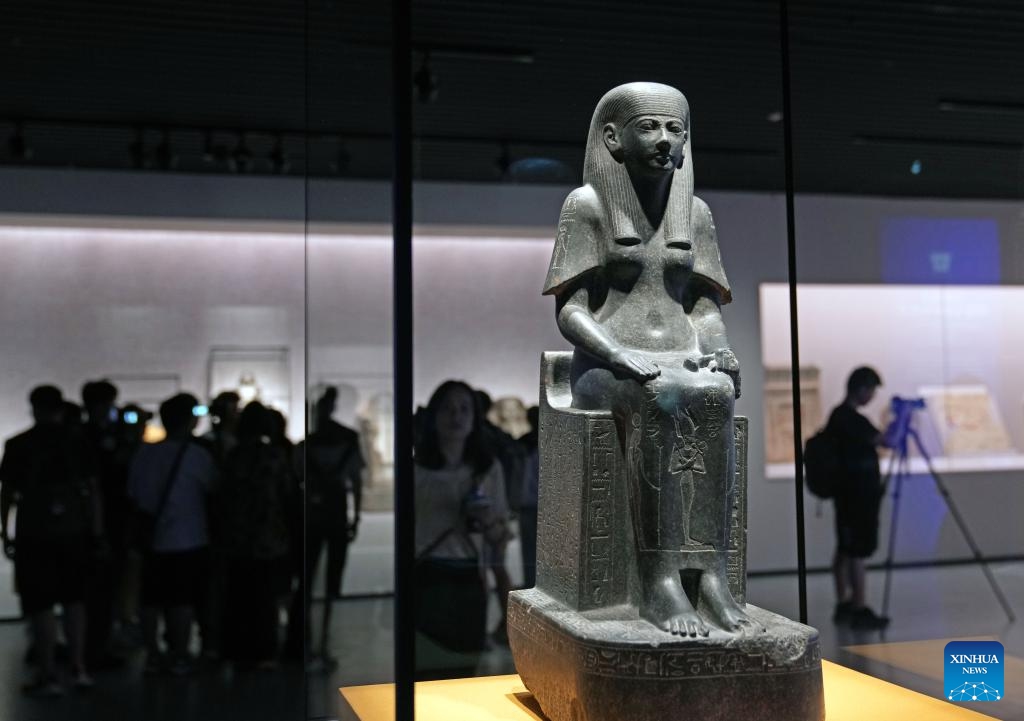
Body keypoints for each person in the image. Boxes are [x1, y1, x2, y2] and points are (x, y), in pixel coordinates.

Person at [544, 82, 747, 637]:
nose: (664, 140)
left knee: (717, 393)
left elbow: (703, 308)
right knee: (666, 394)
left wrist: (720, 351)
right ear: (613, 139)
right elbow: (571, 312)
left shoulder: (696, 214)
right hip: (604, 366)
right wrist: (620, 354)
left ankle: (709, 576)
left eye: (675, 129)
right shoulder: (586, 207)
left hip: (678, 358)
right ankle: (659, 581)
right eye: (649, 127)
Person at [1, 385, 99, 694]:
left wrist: (5, 531)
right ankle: (78, 667)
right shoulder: (79, 443)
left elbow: (7, 494)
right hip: (74, 531)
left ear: (34, 407)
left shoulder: (19, 445)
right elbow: (93, 491)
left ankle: (47, 673)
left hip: (35, 532)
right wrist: (96, 531)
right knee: (75, 600)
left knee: (40, 603)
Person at [414, 380, 509, 679]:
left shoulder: (486, 469)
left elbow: (498, 535)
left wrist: (486, 520)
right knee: (426, 670)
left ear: (474, 418)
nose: (456, 416)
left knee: (465, 670)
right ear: (434, 416)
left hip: (469, 576)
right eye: (448, 409)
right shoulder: (417, 471)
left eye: (464, 409)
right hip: (427, 574)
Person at [127, 393, 217, 674]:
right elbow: (212, 489)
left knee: (151, 599)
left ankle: (153, 653)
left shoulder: (145, 453)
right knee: (181, 599)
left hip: (151, 538)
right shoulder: (198, 455)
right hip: (188, 536)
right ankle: (180, 653)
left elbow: (134, 494)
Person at [286, 387, 363, 668]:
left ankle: (310, 643)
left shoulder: (309, 445)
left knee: (311, 582)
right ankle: (318, 643)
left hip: (317, 516)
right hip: (332, 515)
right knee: (326, 583)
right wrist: (356, 518)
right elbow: (356, 482)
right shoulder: (344, 441)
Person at [220, 402, 293, 669]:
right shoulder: (273, 456)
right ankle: (265, 650)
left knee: (239, 596)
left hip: (237, 535)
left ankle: (237, 650)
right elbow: (285, 493)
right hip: (268, 535)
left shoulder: (234, 456)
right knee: (265, 597)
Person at [827, 366, 895, 630]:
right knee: (856, 551)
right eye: (872, 390)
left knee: (845, 549)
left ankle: (844, 602)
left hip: (847, 497)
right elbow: (886, 441)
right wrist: (896, 419)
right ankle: (859, 606)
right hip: (857, 498)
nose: (873, 396)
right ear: (862, 389)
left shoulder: (839, 417)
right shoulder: (850, 419)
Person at [518, 406, 540, 589]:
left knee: (532, 550)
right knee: (530, 551)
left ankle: (533, 583)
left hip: (534, 505)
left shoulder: (524, 443)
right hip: (529, 505)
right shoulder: (524, 444)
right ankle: (530, 584)